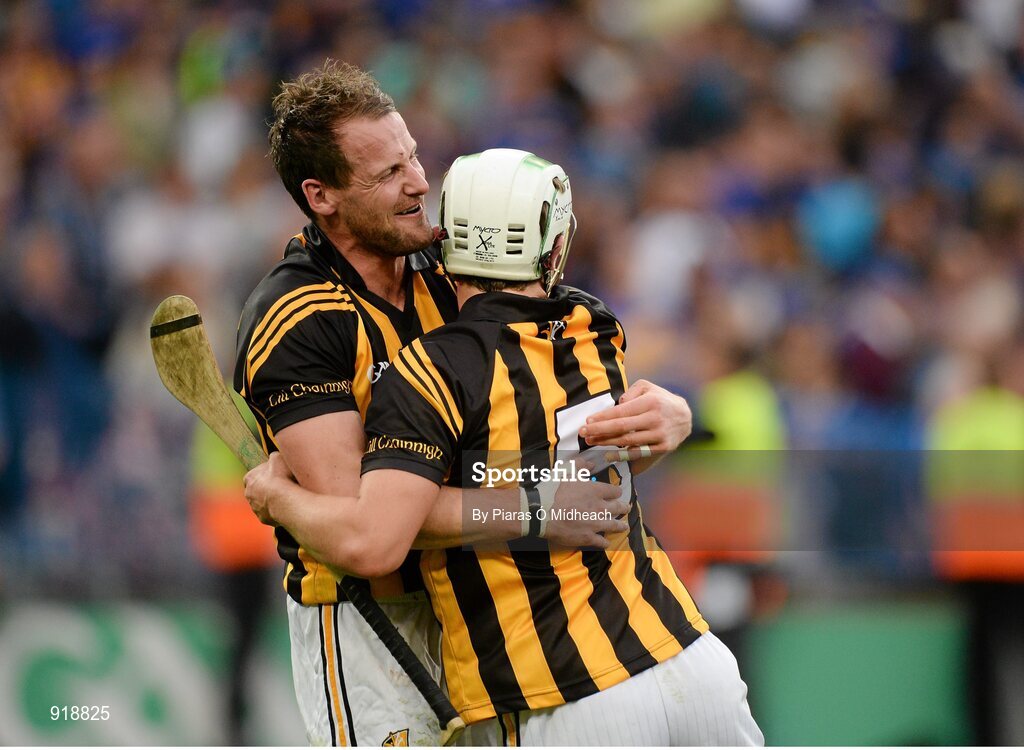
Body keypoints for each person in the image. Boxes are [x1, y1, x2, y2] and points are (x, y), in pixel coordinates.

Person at [234, 61, 697, 746]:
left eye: (414, 156)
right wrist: (536, 509)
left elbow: (555, 425)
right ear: (321, 195)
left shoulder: (449, 260)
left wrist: (664, 420)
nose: (421, 182)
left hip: (487, 601)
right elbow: (372, 533)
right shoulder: (298, 318)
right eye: (388, 173)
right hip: (371, 622)